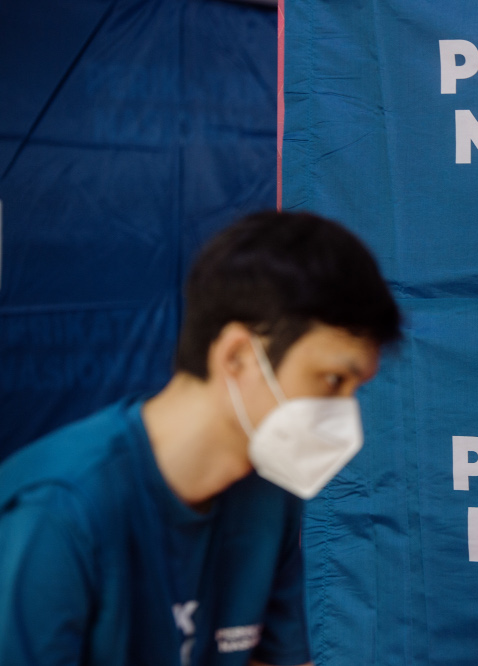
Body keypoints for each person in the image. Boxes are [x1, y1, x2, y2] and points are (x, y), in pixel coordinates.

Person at [0, 210, 402, 665]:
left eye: (355, 390)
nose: (345, 417)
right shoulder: (59, 510)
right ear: (237, 355)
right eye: (332, 380)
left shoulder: (272, 494)